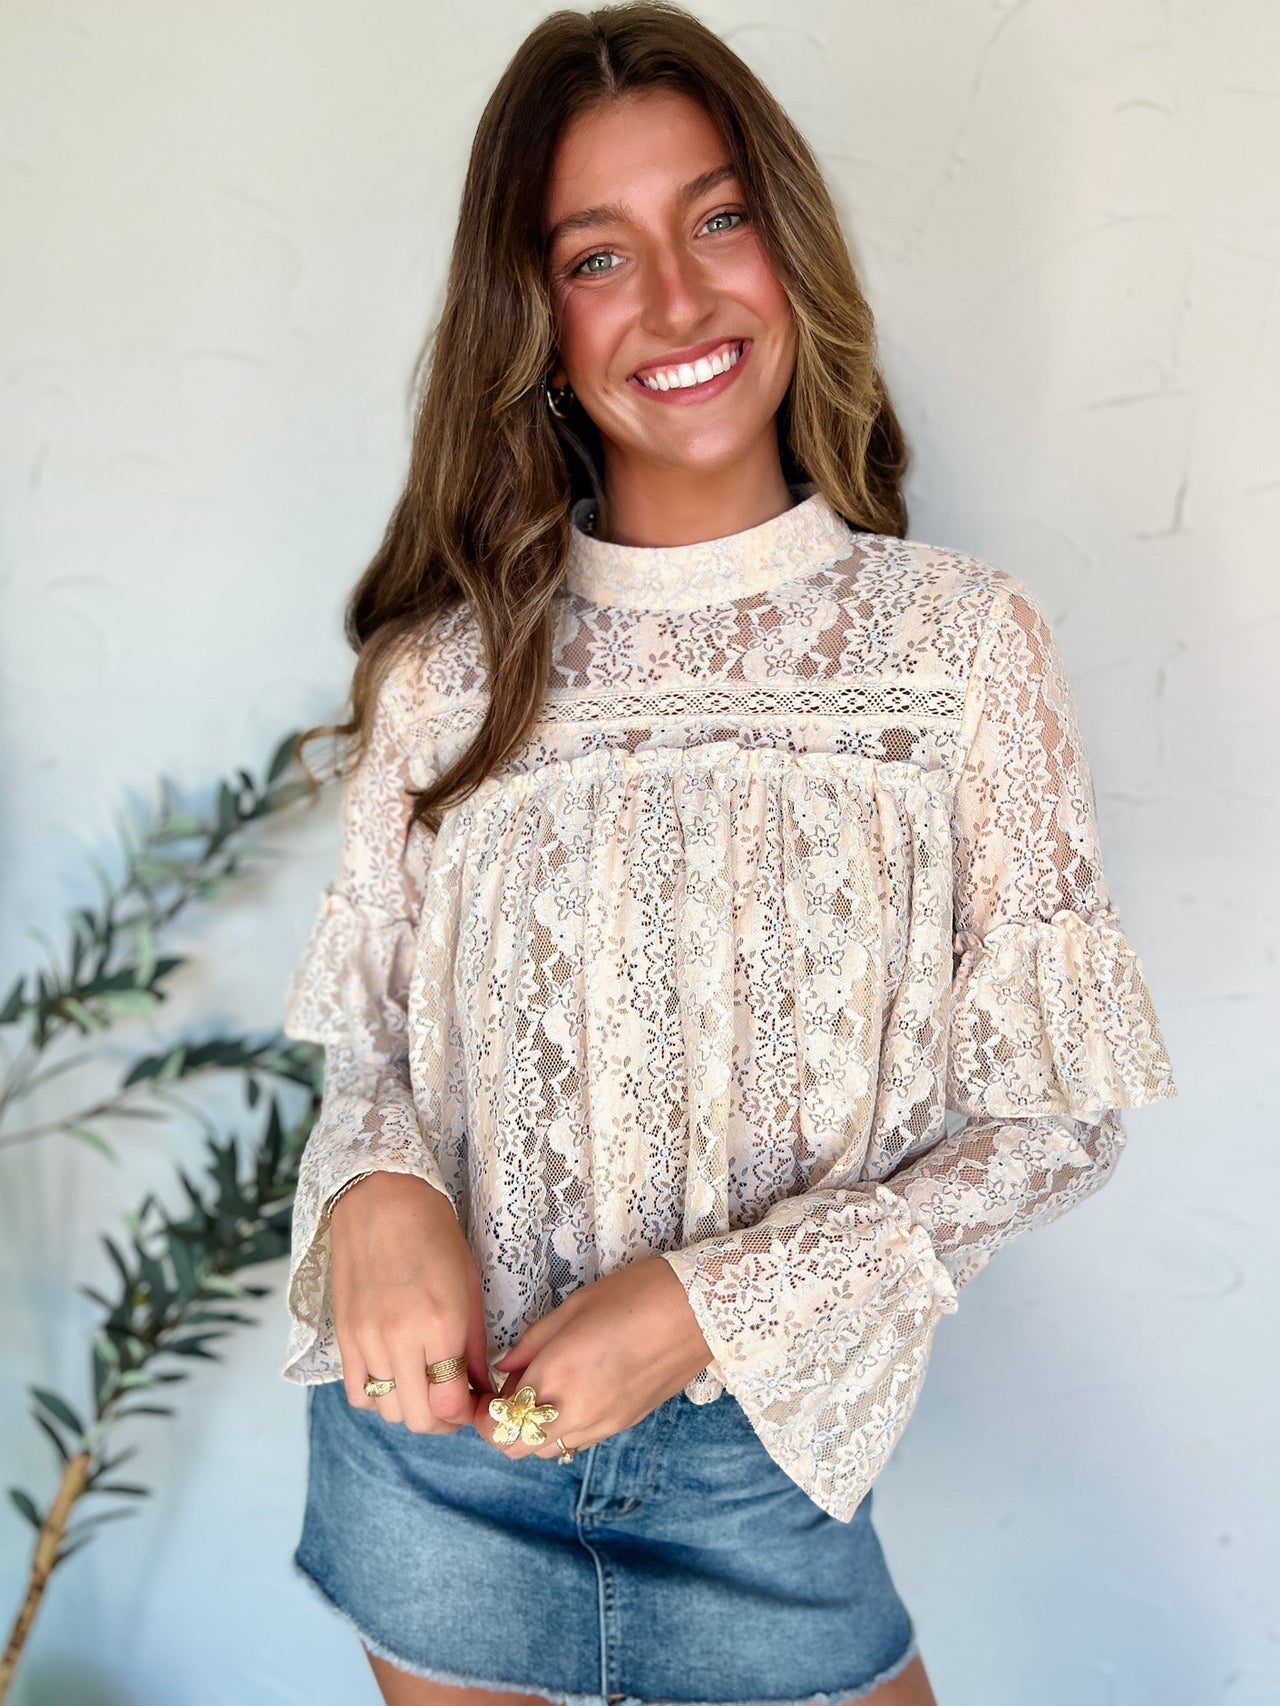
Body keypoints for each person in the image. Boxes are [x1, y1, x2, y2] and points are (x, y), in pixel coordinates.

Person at [278, 6, 1178, 1704]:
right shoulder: (442, 682)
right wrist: (377, 1186)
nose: (678, 304)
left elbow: (1055, 1118)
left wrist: (712, 1303)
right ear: (537, 322)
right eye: (598, 255)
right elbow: (370, 1055)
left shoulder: (958, 650)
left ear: (789, 243)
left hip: (771, 1485)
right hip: (440, 1463)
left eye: (715, 218)